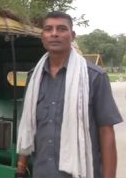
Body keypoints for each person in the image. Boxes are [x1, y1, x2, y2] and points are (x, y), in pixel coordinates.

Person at [16, 11, 122, 178]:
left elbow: (106, 132)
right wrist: (21, 168)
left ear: (72, 36)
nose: (54, 33)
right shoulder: (34, 77)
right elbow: (28, 125)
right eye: (48, 29)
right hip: (41, 172)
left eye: (61, 28)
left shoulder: (94, 77)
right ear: (42, 37)